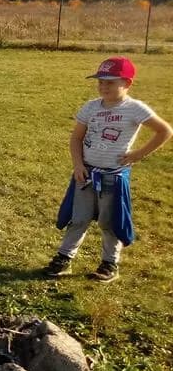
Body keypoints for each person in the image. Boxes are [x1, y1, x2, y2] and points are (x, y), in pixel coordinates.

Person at [44, 57, 172, 283]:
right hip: (86, 174)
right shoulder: (91, 107)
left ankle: (109, 263)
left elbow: (164, 131)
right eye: (100, 82)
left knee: (109, 221)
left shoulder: (135, 109)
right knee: (78, 218)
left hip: (113, 176)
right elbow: (76, 138)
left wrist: (137, 154)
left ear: (127, 83)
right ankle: (64, 258)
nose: (103, 86)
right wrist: (78, 164)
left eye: (110, 82)